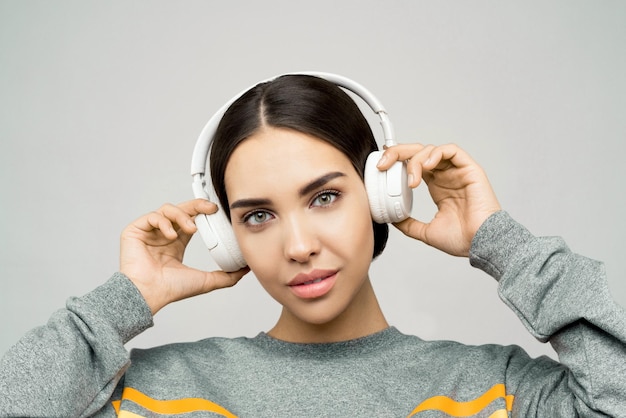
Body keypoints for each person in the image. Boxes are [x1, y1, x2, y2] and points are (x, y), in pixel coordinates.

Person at [1, 74, 625, 417]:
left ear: (382, 196)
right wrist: (123, 300)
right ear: (226, 238)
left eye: (324, 197)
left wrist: (502, 243)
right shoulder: (149, 395)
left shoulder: (495, 392)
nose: (297, 245)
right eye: (258, 216)